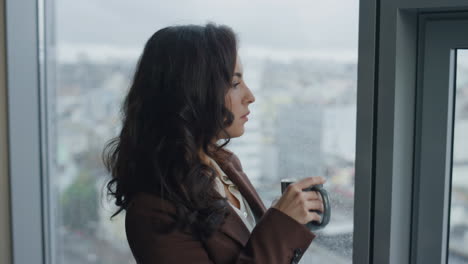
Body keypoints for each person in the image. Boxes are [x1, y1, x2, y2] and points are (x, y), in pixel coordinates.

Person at [103, 23, 326, 264]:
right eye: (234, 84)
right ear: (192, 92)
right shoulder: (154, 209)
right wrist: (282, 225)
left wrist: (283, 218)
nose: (250, 97)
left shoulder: (225, 164)